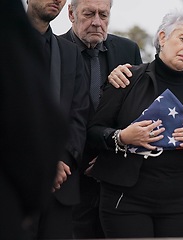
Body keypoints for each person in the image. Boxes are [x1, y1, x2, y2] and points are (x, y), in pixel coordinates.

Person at [86, 8, 183, 238]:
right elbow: (93, 132)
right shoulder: (128, 78)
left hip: (176, 206)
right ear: (163, 37)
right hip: (125, 202)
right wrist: (122, 137)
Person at [60, 0, 142, 237]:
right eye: (89, 14)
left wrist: (109, 158)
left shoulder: (128, 50)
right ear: (71, 14)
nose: (97, 22)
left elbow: (136, 110)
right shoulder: (55, 49)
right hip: (68, 175)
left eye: (103, 14)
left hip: (114, 175)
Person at [0, 0, 68, 239]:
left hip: (57, 181)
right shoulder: (11, 33)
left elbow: (76, 114)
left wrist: (55, 162)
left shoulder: (67, 51)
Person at [26, 0, 90, 238]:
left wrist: (61, 159)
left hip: (60, 188)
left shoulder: (70, 52)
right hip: (12, 187)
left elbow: (79, 114)